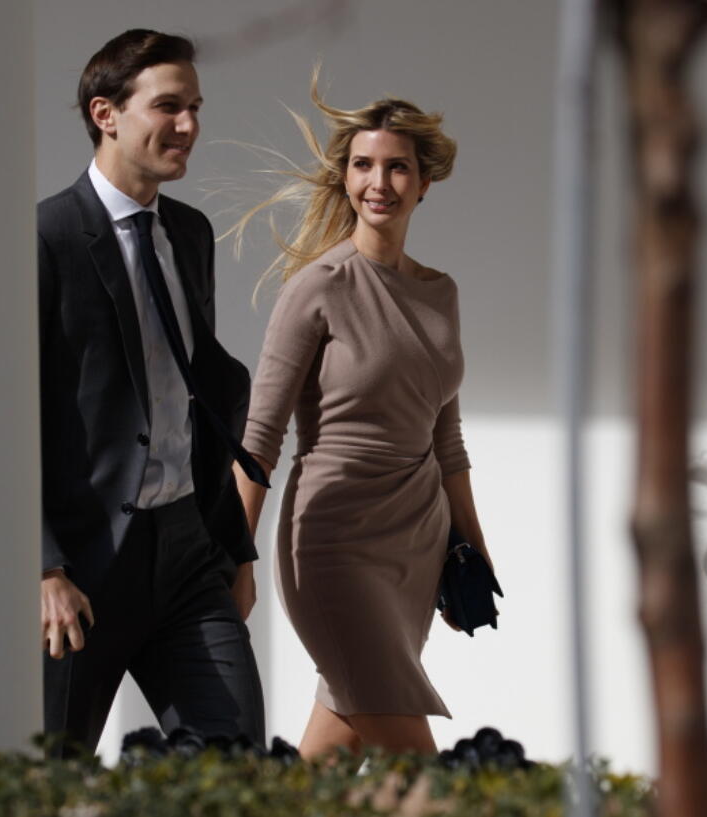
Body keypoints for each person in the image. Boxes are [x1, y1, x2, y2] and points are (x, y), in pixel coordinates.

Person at [232, 75, 491, 758]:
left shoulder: (441, 293)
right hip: (331, 541)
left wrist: (474, 549)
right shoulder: (317, 287)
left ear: (423, 182)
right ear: (346, 178)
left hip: (414, 544)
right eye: (363, 164)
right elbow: (258, 440)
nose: (380, 181)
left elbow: (448, 441)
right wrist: (236, 555)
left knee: (341, 745)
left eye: (397, 166)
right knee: (414, 759)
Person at [37, 29, 266, 755]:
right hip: (83, 564)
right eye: (169, 106)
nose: (190, 126)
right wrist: (41, 566)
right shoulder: (47, 237)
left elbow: (197, 401)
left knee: (231, 764)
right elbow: (14, 415)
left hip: (188, 551)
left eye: (195, 106)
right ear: (105, 113)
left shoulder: (190, 235)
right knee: (50, 772)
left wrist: (236, 550)